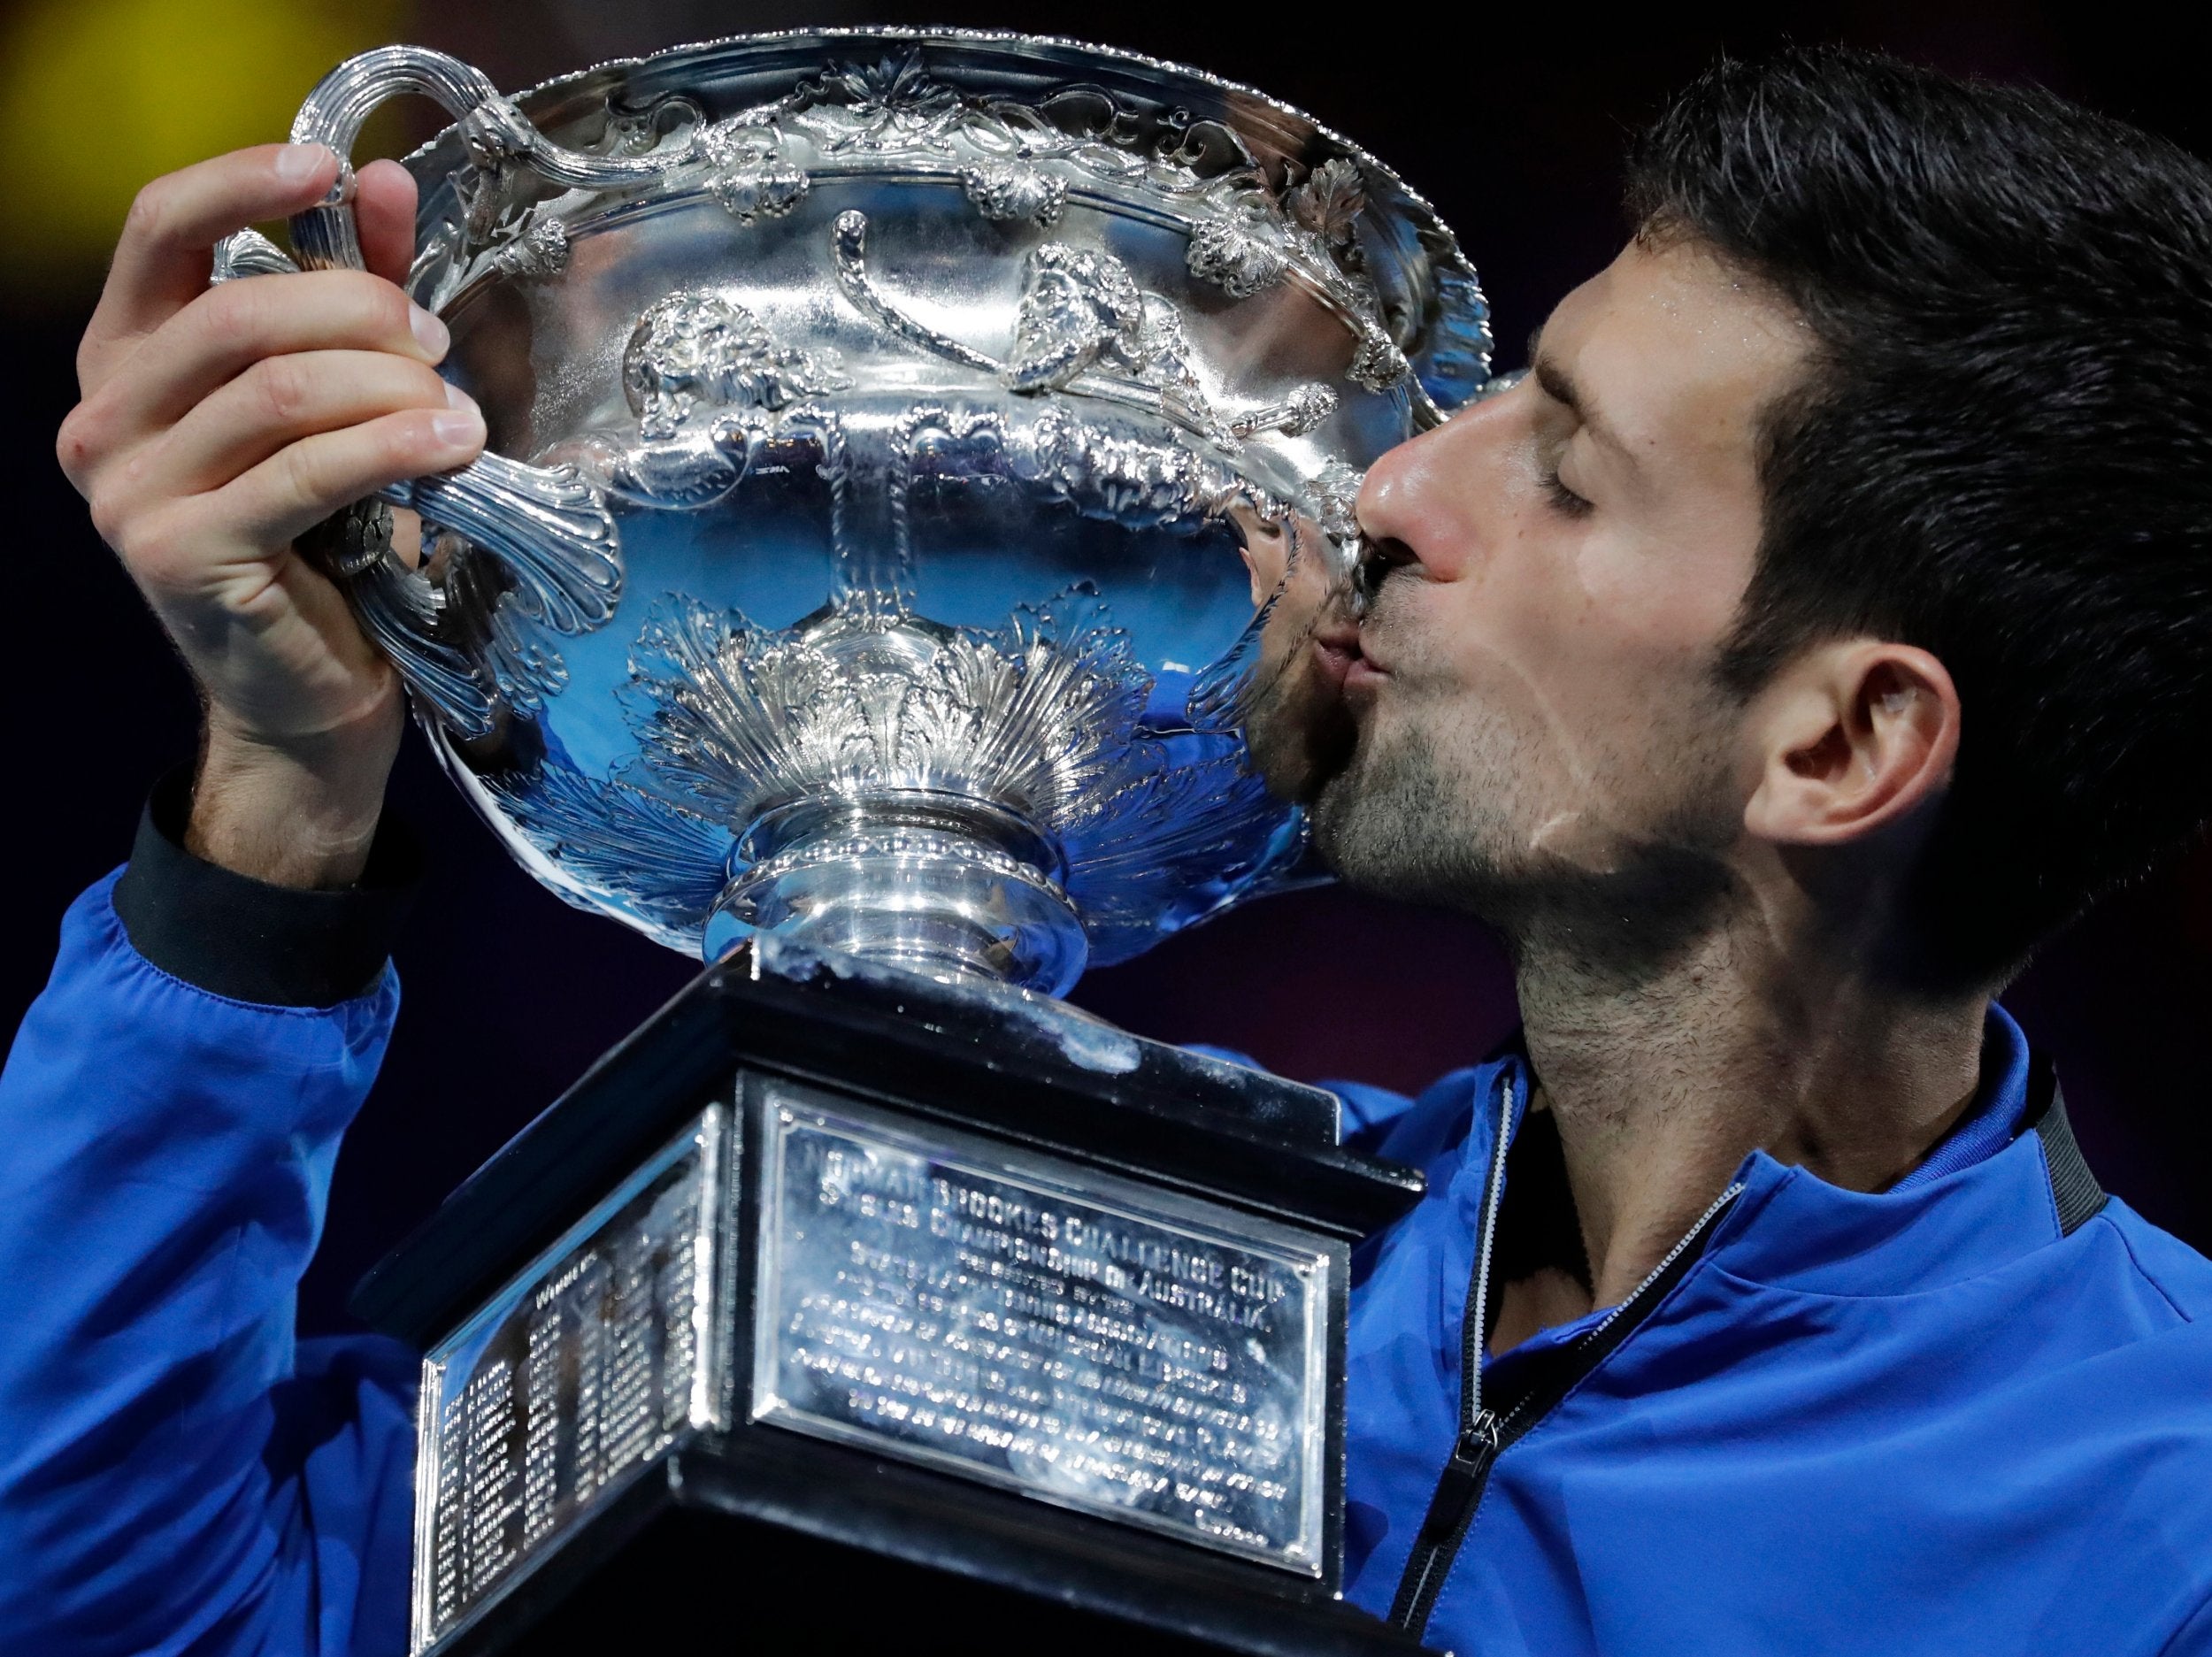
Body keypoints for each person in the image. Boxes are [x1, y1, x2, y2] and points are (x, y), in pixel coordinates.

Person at [6, 45, 2212, 1657]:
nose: (1392, 495)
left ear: (1841, 740)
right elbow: (120, 1606)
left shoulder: (2158, 1522)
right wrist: (274, 814)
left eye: (1559, 470)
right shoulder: (1069, 1242)